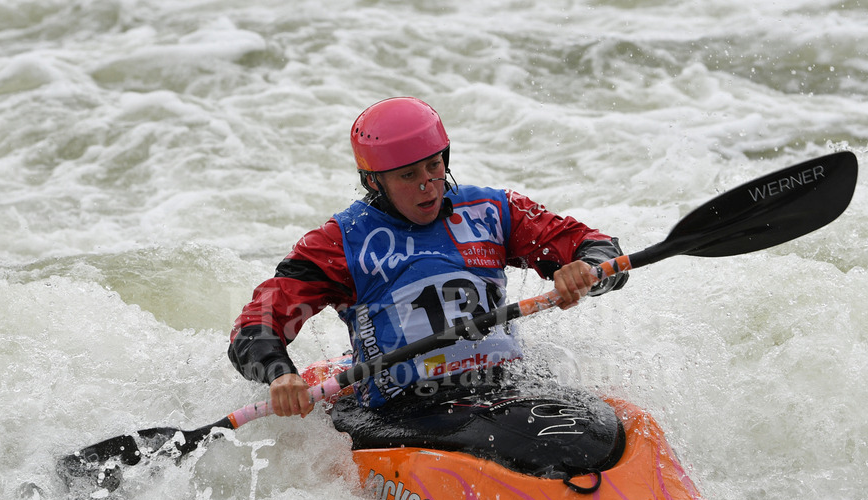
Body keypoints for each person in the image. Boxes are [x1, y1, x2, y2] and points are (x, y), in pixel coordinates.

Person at [229, 97, 627, 422]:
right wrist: (280, 375)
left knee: (604, 425)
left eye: (434, 165)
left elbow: (597, 247)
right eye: (406, 175)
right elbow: (256, 323)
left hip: (505, 387)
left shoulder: (495, 210)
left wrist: (588, 271)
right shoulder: (339, 242)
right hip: (404, 410)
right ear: (373, 180)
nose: (427, 185)